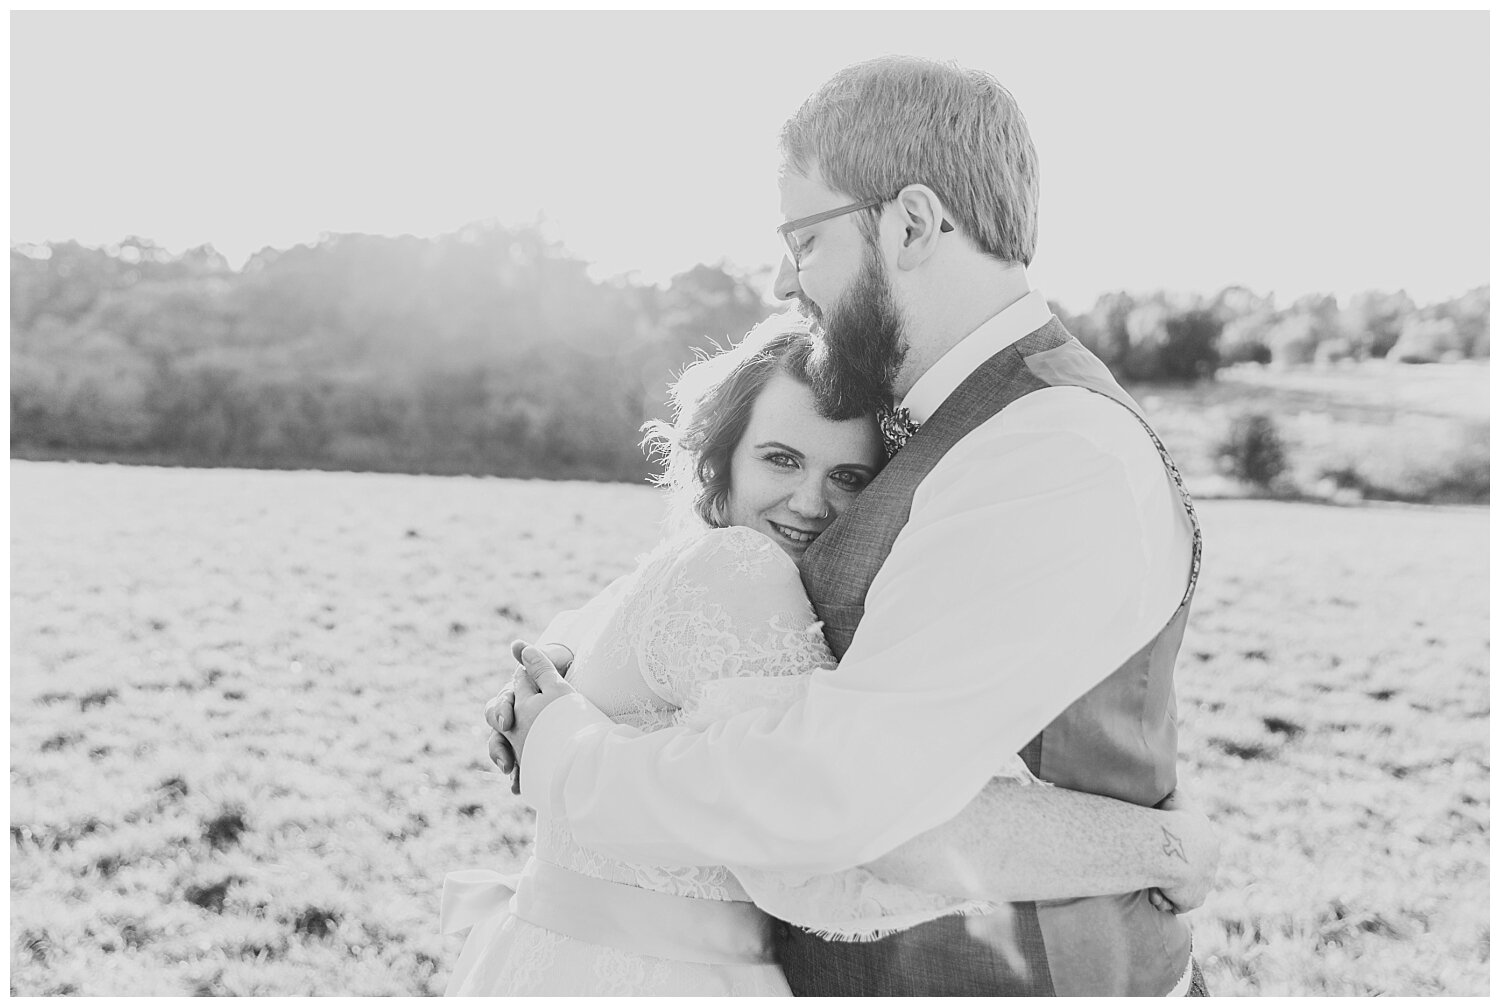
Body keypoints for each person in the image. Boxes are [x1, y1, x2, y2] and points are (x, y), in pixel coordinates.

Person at [492, 55, 1211, 996]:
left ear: (911, 222)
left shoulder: (1051, 450)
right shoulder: (957, 424)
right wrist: (558, 663)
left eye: (807, 239)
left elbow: (842, 794)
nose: (791, 282)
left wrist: (561, 749)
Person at [448, 315, 1215, 996]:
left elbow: (582, 632)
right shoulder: (738, 572)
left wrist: (545, 665)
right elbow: (850, 840)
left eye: (848, 476)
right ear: (721, 462)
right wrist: (1159, 849)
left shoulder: (671, 569)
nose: (811, 502)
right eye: (781, 459)